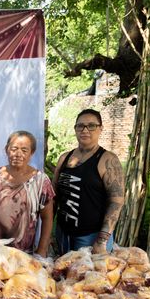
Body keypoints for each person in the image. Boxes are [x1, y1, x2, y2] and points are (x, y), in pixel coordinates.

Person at [0, 131, 55, 257]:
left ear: (32, 153)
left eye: (24, 150)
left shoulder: (40, 181)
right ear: (7, 150)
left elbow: (47, 217)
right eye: (14, 149)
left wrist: (42, 249)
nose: (18, 154)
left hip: (24, 256)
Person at [53, 108, 124, 254]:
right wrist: (48, 233)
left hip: (91, 237)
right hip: (64, 234)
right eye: (80, 126)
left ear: (100, 129)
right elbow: (53, 196)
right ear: (75, 129)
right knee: (62, 268)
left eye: (91, 126)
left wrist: (102, 240)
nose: (85, 130)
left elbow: (116, 201)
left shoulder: (107, 160)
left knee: (89, 270)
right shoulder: (65, 158)